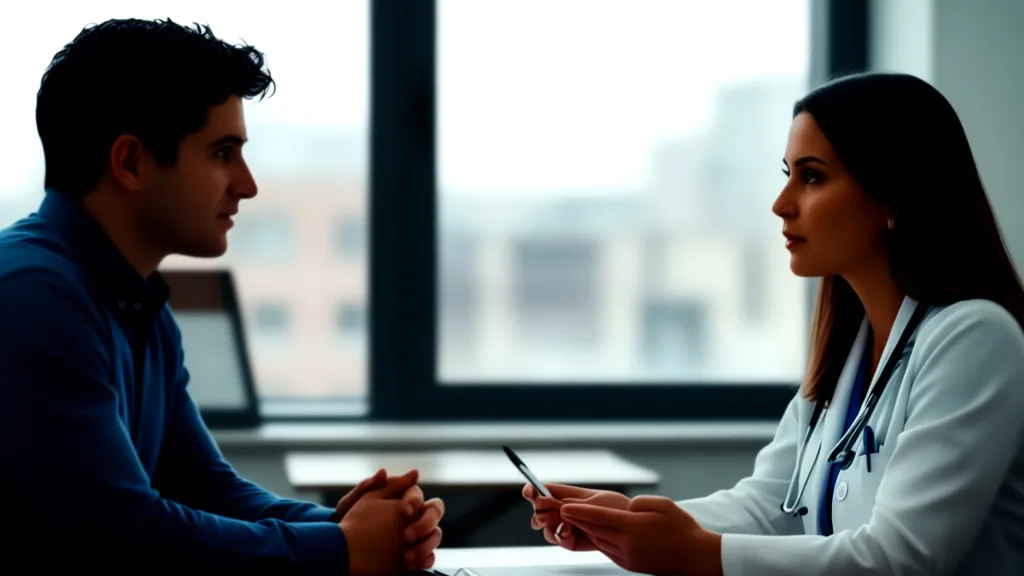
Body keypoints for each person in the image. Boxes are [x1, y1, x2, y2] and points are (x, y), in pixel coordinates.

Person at [523, 72, 1024, 575]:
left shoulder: (975, 338)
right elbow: (772, 509)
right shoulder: (850, 352)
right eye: (788, 173)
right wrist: (629, 521)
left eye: (811, 176)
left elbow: (901, 558)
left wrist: (696, 553)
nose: (781, 204)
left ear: (891, 193)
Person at [0, 18, 444, 574]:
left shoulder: (138, 307)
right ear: (131, 162)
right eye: (222, 152)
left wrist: (344, 526)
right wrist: (343, 548)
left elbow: (205, 488)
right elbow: (125, 538)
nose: (248, 184)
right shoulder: (32, 298)